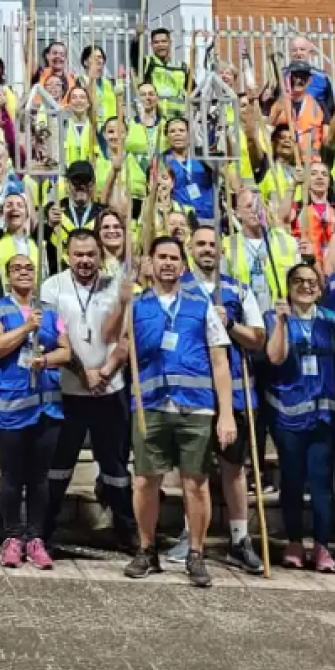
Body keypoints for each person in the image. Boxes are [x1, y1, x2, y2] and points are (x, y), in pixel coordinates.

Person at [124, 235, 238, 589]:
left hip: (197, 406)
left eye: (174, 257)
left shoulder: (202, 305)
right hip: (151, 403)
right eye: (162, 257)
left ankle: (196, 553)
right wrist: (120, 303)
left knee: (196, 483)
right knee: (145, 480)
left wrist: (226, 413)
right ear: (151, 263)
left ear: (183, 265)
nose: (168, 263)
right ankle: (146, 549)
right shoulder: (137, 305)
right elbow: (118, 343)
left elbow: (220, 361)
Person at [40, 228, 136, 553]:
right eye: (78, 254)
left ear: (100, 255)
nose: (85, 260)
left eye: (91, 254)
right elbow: (53, 339)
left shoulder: (116, 288)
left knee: (115, 468)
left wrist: (105, 373)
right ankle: (43, 530)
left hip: (111, 390)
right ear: (68, 255)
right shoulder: (52, 287)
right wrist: (84, 374)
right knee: (58, 465)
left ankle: (126, 530)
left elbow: (126, 338)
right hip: (67, 391)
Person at [0, 248, 72, 567]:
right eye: (16, 268)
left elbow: (66, 351)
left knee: (39, 478)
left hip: (46, 408)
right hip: (9, 408)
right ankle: (11, 536)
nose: (23, 272)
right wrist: (26, 329)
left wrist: (45, 360)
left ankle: (35, 537)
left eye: (28, 268)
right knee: (12, 476)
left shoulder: (49, 310)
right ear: (7, 275)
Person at [187, 223, 266, 575]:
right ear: (190, 248)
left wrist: (231, 323)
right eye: (200, 243)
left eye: (212, 244)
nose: (206, 249)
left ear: (221, 250)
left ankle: (239, 539)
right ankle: (191, 537)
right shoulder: (180, 288)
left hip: (235, 393)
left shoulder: (237, 289)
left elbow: (258, 339)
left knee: (235, 470)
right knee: (193, 470)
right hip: (193, 391)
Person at [263, 263, 335, 571]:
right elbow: (275, 357)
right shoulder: (274, 318)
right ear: (288, 286)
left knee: (321, 482)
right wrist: (282, 322)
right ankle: (295, 542)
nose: (306, 286)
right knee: (292, 480)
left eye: (312, 282)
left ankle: (322, 546)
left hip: (324, 414)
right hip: (288, 413)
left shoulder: (333, 321)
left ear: (321, 288)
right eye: (298, 281)